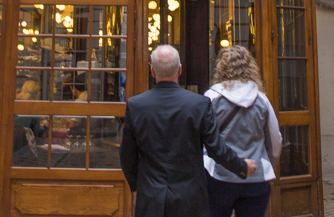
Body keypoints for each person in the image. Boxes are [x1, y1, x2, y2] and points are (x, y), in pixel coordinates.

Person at [119, 45, 257, 217]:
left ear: (152, 71)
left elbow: (127, 156)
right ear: (180, 69)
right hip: (190, 198)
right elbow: (216, 149)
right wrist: (241, 166)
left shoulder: (136, 105)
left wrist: (136, 187)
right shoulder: (199, 104)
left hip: (151, 196)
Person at [203, 45, 282, 217]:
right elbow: (275, 140)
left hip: (219, 176)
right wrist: (269, 163)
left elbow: (202, 137)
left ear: (221, 67)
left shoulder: (211, 97)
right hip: (256, 177)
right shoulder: (262, 99)